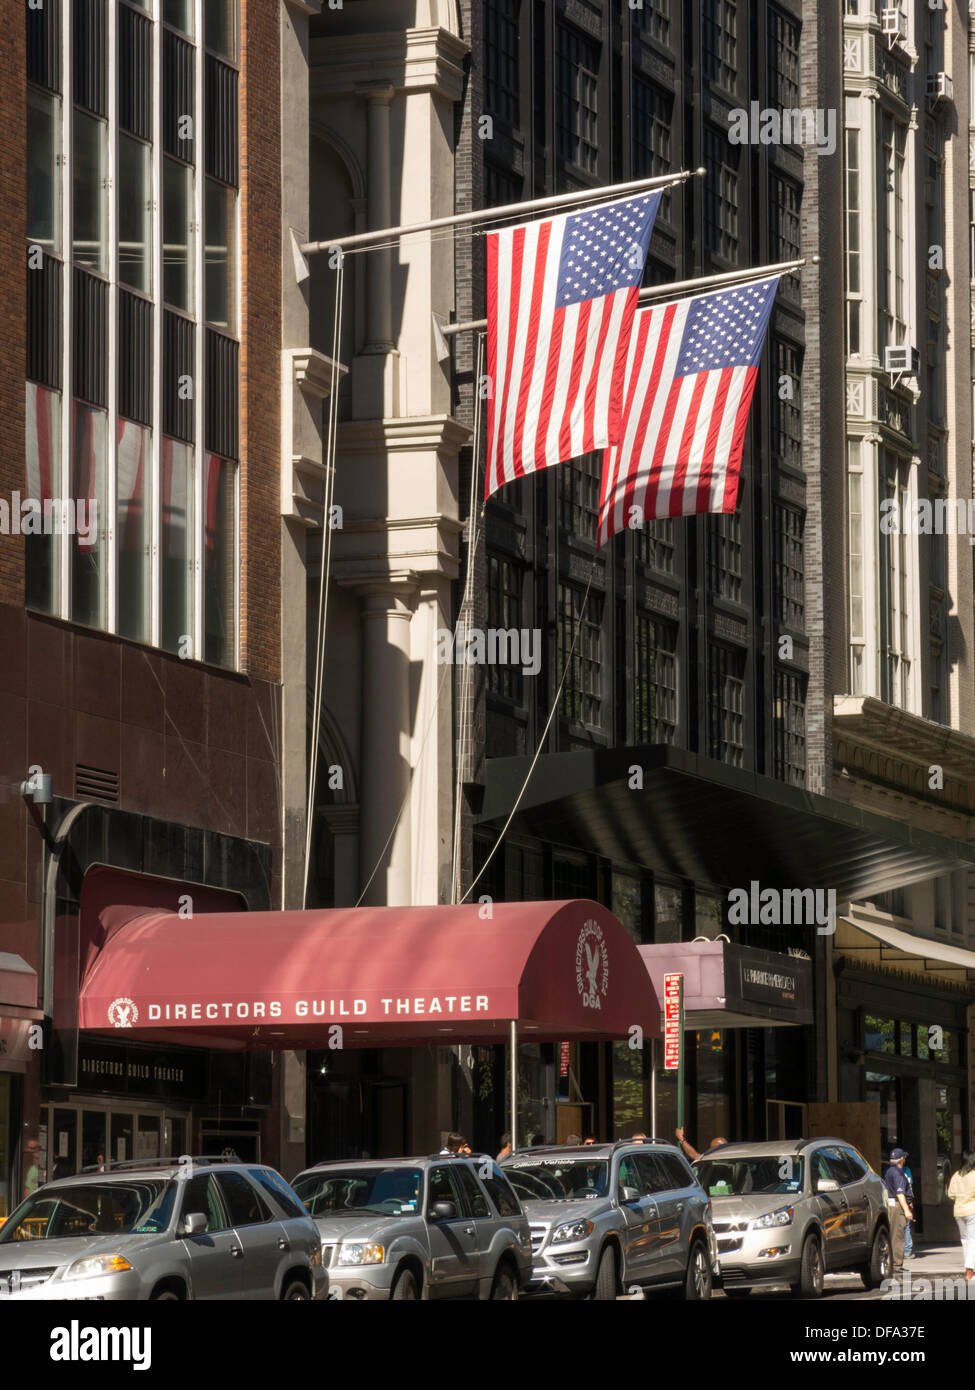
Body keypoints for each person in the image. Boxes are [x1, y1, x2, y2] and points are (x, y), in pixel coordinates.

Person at [883, 1147, 914, 1276]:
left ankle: (893, 1263)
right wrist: (907, 1210)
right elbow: (900, 1193)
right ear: (901, 1159)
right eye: (904, 1157)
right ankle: (896, 1265)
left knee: (894, 1234)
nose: (905, 1159)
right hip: (897, 1206)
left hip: (891, 1204)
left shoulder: (889, 1171)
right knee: (898, 1236)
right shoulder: (899, 1173)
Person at [947, 1151, 975, 1282]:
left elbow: (950, 1194)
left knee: (965, 1241)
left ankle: (968, 1269)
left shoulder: (956, 1175)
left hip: (958, 1212)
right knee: (973, 1241)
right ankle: (969, 1271)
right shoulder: (974, 1175)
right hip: (972, 1210)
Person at [903, 1162, 915, 1259]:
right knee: (906, 1226)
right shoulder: (906, 1170)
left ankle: (901, 1250)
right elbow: (910, 1186)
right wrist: (910, 1201)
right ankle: (907, 1251)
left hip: (892, 1201)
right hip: (905, 1199)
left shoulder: (888, 1171)